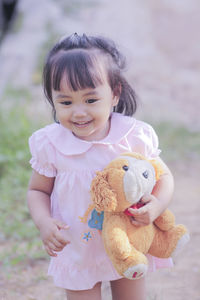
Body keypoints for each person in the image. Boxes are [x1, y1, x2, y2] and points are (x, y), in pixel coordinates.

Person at [27, 33, 174, 300]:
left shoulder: (133, 137)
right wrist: (44, 222)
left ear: (115, 94)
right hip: (76, 246)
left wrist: (157, 206)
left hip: (127, 239)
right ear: (52, 99)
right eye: (66, 102)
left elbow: (164, 177)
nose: (79, 112)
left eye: (91, 100)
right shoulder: (51, 144)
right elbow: (38, 191)